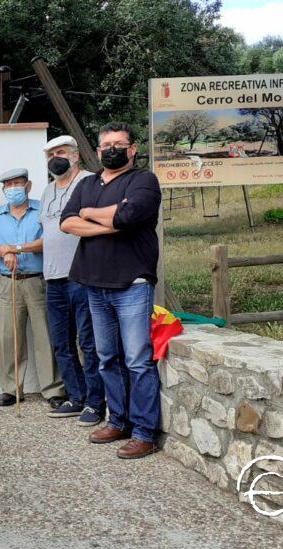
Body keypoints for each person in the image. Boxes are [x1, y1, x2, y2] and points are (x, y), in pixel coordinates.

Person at [61, 121, 163, 459]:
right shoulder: (87, 182)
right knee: (107, 359)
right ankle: (118, 420)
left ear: (132, 149)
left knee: (137, 361)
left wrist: (90, 215)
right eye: (106, 145)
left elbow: (130, 214)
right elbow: (67, 222)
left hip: (132, 283)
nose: (112, 149)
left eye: (119, 143)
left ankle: (145, 432)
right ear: (98, 150)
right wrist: (111, 222)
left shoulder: (144, 180)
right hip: (94, 283)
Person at [0, 168, 64, 408]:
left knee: (44, 336)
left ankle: (53, 390)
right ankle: (11, 388)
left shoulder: (41, 209)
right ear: (3, 190)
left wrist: (16, 249)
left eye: (17, 183)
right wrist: (4, 252)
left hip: (36, 280)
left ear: (28, 186)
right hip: (8, 283)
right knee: (9, 337)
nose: (13, 188)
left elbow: (47, 241)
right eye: (8, 185)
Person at [39, 136, 104, 426]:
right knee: (61, 342)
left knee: (88, 343)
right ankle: (75, 398)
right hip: (53, 278)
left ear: (75, 156)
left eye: (61, 152)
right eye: (51, 154)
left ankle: (95, 402)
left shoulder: (90, 182)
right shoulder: (47, 190)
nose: (56, 158)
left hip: (82, 275)